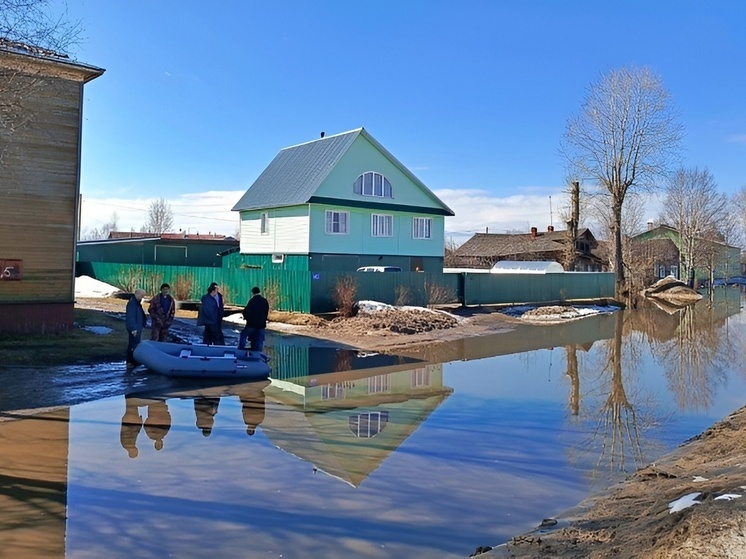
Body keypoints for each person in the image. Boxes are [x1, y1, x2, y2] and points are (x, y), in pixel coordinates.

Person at [238, 286, 270, 351]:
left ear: (253, 293)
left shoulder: (252, 301)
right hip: (261, 325)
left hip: (251, 324)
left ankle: (241, 350)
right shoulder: (264, 301)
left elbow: (247, 311)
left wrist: (246, 317)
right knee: (259, 339)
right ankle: (258, 353)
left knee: (243, 335)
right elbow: (266, 312)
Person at [125, 289, 148, 368]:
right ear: (137, 294)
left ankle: (134, 361)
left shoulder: (137, 303)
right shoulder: (132, 303)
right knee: (132, 345)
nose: (142, 298)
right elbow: (130, 317)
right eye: (142, 296)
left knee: (135, 345)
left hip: (138, 327)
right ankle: (130, 362)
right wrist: (133, 328)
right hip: (134, 328)